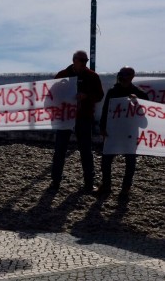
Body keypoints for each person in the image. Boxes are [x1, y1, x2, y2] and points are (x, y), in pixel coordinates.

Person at [50, 50, 104, 191]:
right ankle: (55, 182)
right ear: (74, 60)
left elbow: (99, 95)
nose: (84, 63)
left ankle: (88, 183)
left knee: (86, 150)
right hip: (65, 117)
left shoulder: (92, 76)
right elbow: (52, 95)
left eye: (85, 60)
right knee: (60, 150)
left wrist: (86, 96)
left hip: (84, 117)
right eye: (82, 60)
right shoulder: (62, 75)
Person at [96, 66, 150, 198]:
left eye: (125, 75)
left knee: (130, 161)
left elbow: (146, 116)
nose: (122, 77)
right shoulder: (112, 91)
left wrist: (137, 102)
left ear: (132, 77)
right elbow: (105, 110)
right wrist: (102, 127)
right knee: (106, 159)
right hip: (113, 131)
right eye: (121, 75)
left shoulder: (140, 94)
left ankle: (126, 187)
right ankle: (106, 184)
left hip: (131, 133)